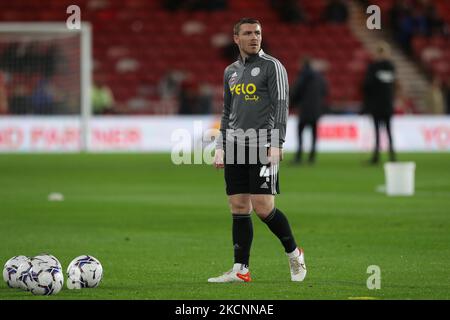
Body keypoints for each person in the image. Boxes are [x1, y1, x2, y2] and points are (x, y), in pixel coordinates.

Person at [209, 18, 306, 283]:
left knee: (263, 207)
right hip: (236, 146)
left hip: (263, 144)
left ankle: (294, 252)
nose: (254, 37)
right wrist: (220, 146)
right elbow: (227, 112)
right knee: (238, 206)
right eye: (248, 33)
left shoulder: (273, 67)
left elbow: (281, 105)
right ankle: (240, 269)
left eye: (258, 33)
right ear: (236, 38)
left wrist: (277, 143)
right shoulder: (230, 71)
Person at [362, 42, 397, 164]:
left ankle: (377, 157)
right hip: (386, 104)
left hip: (378, 105)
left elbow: (367, 86)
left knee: (380, 132)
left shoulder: (373, 68)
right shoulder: (391, 67)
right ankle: (391, 157)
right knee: (387, 131)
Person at [290, 57, 328, 164]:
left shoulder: (302, 76)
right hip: (316, 109)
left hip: (304, 110)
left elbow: (296, 91)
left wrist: (292, 104)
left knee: (300, 133)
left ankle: (299, 156)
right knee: (314, 134)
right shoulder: (320, 77)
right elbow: (325, 91)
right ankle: (312, 157)